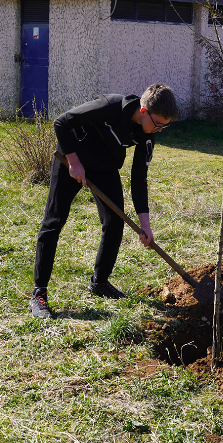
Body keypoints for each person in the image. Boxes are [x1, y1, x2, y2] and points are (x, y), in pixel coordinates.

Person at [29, 84, 178, 319]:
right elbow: (62, 122)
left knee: (115, 222)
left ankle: (100, 282)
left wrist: (145, 225)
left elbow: (139, 178)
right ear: (143, 111)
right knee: (54, 221)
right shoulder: (110, 106)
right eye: (158, 123)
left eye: (164, 126)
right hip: (71, 159)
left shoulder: (148, 135)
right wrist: (74, 162)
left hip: (105, 168)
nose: (159, 130)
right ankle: (39, 292)